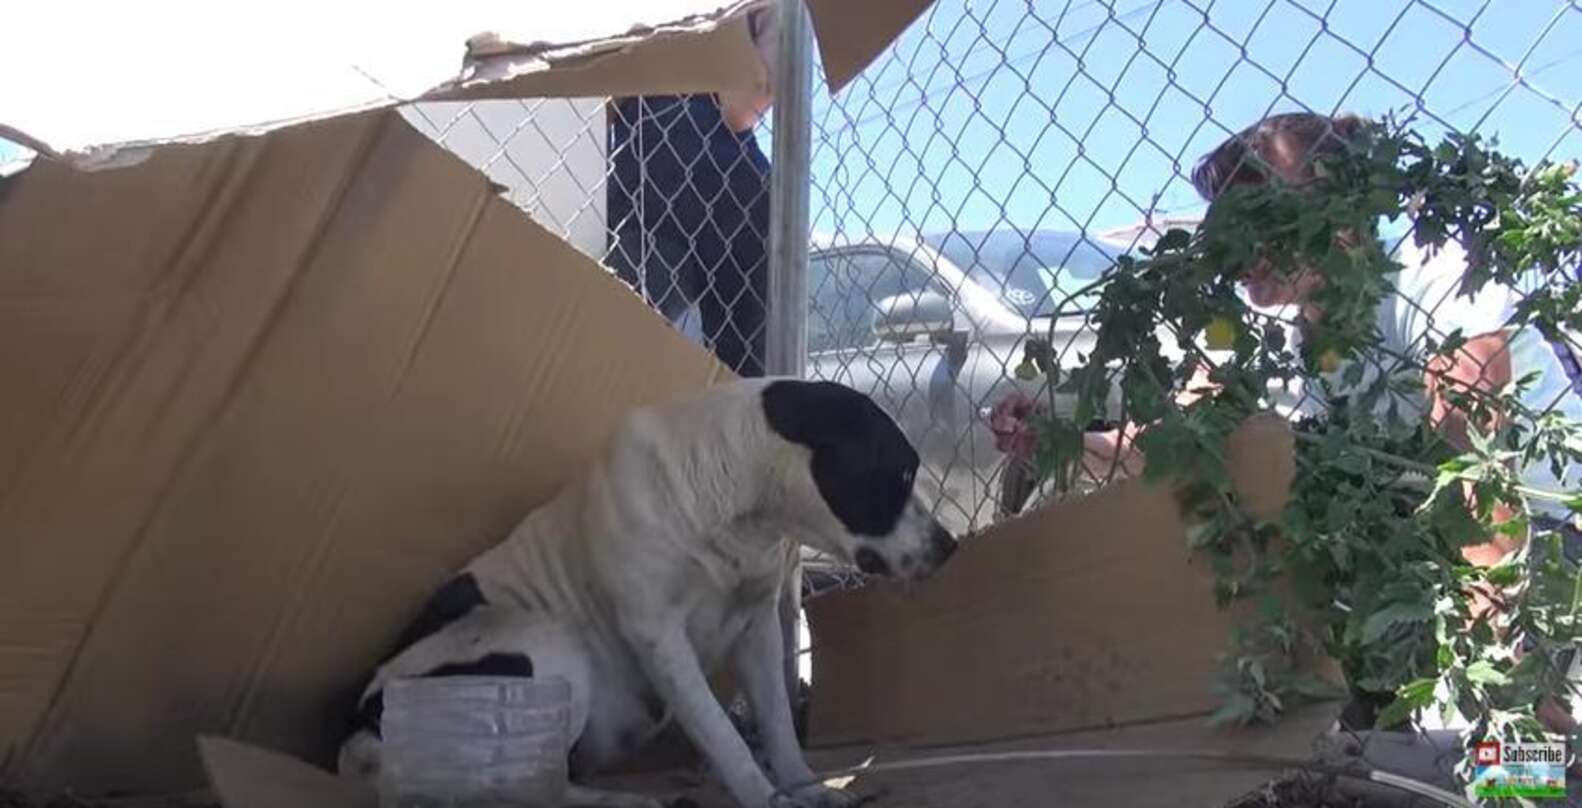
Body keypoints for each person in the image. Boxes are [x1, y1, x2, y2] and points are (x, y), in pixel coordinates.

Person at [1084, 111, 1582, 731]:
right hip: (1401, 555)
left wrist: (1499, 658)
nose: (1237, 242)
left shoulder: (1433, 275)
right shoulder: (1262, 330)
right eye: (1228, 220)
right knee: (1383, 743)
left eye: (1264, 212)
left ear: (1341, 208)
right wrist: (1079, 443)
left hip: (1541, 544)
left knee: (1510, 763)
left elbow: (1477, 472)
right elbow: (1180, 434)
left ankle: (1530, 768)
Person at [604, 6, 779, 377]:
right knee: (744, 370)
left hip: (646, 159)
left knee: (613, 344)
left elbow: (598, 105)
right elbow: (745, 103)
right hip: (729, 178)